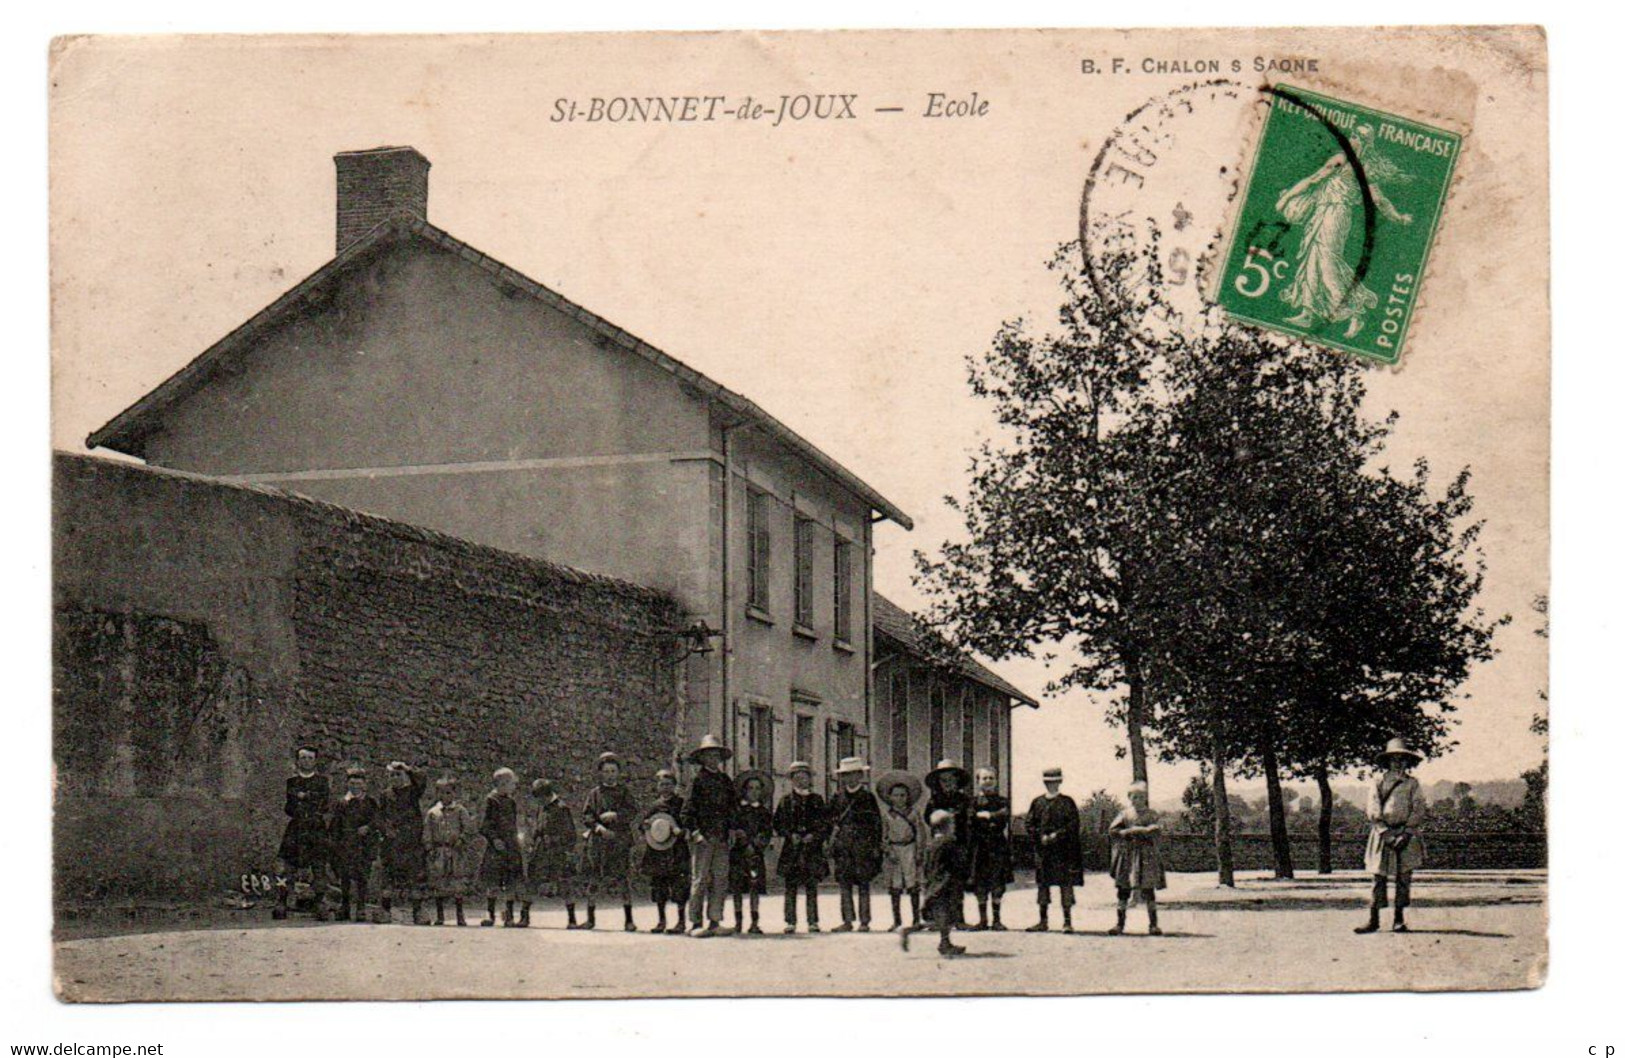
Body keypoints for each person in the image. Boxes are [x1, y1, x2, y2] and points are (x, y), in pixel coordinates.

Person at [1356, 737, 1428, 935]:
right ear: (1387, 761)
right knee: (1378, 877)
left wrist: (1406, 833)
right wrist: (1385, 832)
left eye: (1402, 759)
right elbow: (1373, 807)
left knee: (1403, 878)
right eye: (1394, 759)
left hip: (1406, 833)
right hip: (1382, 833)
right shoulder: (1378, 782)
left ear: (1407, 762)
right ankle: (1374, 919)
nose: (1398, 762)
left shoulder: (1412, 784)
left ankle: (1399, 919)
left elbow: (1419, 808)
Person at [681, 734, 736, 938]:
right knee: (700, 879)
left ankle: (715, 921)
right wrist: (695, 832)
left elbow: (732, 809)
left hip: (721, 837)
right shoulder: (697, 781)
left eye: (716, 755)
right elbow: (687, 811)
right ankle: (695, 923)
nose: (713, 759)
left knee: (720, 879)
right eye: (709, 755)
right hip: (703, 837)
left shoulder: (725, 781)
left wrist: (730, 829)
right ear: (702, 759)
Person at [581, 751, 639, 931]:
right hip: (599, 842)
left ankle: (629, 920)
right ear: (600, 773)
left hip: (619, 841)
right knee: (594, 878)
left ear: (618, 773)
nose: (610, 775)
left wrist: (617, 815)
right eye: (606, 771)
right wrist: (598, 827)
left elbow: (632, 812)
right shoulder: (594, 794)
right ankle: (590, 919)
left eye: (613, 771)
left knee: (623, 880)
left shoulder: (624, 792)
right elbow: (587, 815)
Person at [828, 757, 884, 932]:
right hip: (843, 846)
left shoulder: (867, 797)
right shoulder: (837, 797)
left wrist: (875, 846)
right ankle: (847, 920)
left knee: (863, 883)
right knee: (844, 883)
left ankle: (865, 921)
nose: (850, 779)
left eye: (854, 775)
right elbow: (830, 820)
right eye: (846, 775)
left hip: (862, 846)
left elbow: (876, 824)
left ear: (861, 776)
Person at [773, 760, 829, 934]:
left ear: (809, 779)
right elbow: (778, 823)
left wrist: (815, 835)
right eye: (796, 777)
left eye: (803, 777)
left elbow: (825, 824)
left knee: (811, 886)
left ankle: (812, 921)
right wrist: (790, 835)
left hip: (812, 849)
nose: (800, 780)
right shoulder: (786, 801)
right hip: (793, 849)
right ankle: (790, 921)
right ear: (791, 780)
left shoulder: (817, 800)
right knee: (791, 886)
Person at [274, 746, 330, 921]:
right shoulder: (291, 782)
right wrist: (304, 802)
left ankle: (320, 902)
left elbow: (324, 804)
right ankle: (281, 901)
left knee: (319, 864)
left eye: (310, 758)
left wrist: (305, 798)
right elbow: (289, 807)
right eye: (303, 758)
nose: (306, 761)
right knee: (286, 865)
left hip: (315, 827)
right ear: (297, 761)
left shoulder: (322, 781)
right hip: (297, 827)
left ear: (315, 761)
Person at [1026, 766, 1084, 933]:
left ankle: (1067, 922)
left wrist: (1056, 836)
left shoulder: (1067, 802)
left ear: (1060, 781)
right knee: (1043, 885)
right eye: (1047, 782)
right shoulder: (1037, 802)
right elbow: (1029, 823)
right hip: (1044, 852)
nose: (1051, 785)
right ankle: (1043, 921)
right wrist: (1040, 836)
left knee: (1065, 885)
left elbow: (1073, 825)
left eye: (1054, 782)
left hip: (1063, 852)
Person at [902, 809, 966, 957]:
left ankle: (945, 943)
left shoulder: (930, 844)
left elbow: (927, 866)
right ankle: (909, 931)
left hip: (934, 884)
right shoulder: (949, 842)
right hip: (946, 885)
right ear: (947, 826)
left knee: (943, 918)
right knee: (944, 918)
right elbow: (956, 864)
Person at [1107, 780, 1165, 936]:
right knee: (1123, 888)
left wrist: (1145, 830)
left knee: (1148, 889)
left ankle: (1153, 925)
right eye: (1134, 797)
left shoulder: (1151, 814)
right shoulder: (1125, 814)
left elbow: (1157, 829)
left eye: (1141, 797)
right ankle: (1120, 924)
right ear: (1129, 797)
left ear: (1145, 798)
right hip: (1128, 854)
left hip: (1146, 855)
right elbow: (1113, 830)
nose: (1137, 800)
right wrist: (1125, 832)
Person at [638, 769, 690, 934]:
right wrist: (646, 825)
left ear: (674, 786)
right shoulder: (654, 806)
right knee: (659, 886)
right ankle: (661, 921)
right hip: (657, 851)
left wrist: (680, 831)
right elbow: (642, 826)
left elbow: (687, 823)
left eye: (668, 784)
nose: (665, 788)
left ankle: (681, 922)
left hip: (676, 850)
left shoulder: (681, 804)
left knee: (679, 886)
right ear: (657, 787)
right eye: (662, 784)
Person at [378, 761, 429, 925]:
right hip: (392, 843)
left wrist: (407, 768)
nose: (395, 778)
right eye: (392, 775)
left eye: (398, 775)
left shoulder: (413, 792)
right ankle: (385, 911)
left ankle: (418, 912)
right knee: (389, 877)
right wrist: (386, 829)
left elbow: (422, 779)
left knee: (415, 877)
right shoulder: (386, 795)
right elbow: (381, 816)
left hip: (411, 842)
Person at [328, 765, 381, 923]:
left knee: (362, 877)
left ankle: (361, 908)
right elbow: (335, 824)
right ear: (347, 784)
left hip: (364, 845)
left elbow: (377, 820)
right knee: (344, 877)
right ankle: (344, 907)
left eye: (358, 783)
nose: (355, 786)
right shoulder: (342, 803)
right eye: (352, 783)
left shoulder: (370, 802)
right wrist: (335, 843)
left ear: (364, 785)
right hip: (346, 845)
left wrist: (369, 827)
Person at [424, 775, 478, 926]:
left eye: (448, 792)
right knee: (439, 882)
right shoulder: (433, 812)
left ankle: (460, 915)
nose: (445, 796)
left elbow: (468, 829)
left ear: (454, 793)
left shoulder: (460, 811)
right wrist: (429, 847)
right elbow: (428, 831)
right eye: (441, 793)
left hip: (456, 851)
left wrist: (462, 840)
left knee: (457, 883)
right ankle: (440, 915)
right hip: (439, 851)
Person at [526, 778, 580, 929]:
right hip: (541, 851)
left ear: (547, 795)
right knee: (532, 882)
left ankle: (572, 920)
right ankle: (525, 917)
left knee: (565, 884)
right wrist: (533, 842)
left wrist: (561, 846)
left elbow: (571, 834)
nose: (539, 801)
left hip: (557, 852)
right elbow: (538, 828)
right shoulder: (541, 808)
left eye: (540, 798)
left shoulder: (562, 808)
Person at [924, 759, 972, 925]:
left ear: (957, 781)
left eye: (951, 780)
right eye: (944, 780)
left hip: (959, 845)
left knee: (957, 883)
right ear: (938, 783)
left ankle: (958, 919)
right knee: (939, 883)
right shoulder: (934, 801)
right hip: (942, 846)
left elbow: (969, 822)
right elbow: (928, 820)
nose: (947, 784)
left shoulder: (964, 800)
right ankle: (936, 919)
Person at [875, 771, 924, 932]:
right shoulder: (887, 816)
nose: (900, 798)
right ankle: (897, 920)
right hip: (894, 852)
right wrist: (888, 850)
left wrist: (918, 851)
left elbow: (920, 833)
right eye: (896, 795)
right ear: (890, 797)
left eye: (903, 795)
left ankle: (916, 919)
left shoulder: (913, 814)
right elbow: (883, 835)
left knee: (913, 885)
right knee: (895, 886)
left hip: (909, 848)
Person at [967, 767, 1014, 931]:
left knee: (997, 883)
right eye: (984, 778)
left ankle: (997, 920)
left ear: (996, 781)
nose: (988, 781)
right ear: (978, 781)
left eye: (991, 778)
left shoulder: (1002, 801)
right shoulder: (972, 802)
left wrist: (987, 816)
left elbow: (1004, 816)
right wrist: (984, 816)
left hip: (997, 845)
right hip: (978, 847)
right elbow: (969, 818)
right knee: (980, 883)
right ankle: (982, 920)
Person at [728, 770, 775, 935]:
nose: (754, 792)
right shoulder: (737, 810)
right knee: (737, 888)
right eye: (750, 788)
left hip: (755, 853)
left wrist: (757, 843)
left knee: (754, 887)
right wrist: (740, 837)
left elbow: (767, 832)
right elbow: (733, 828)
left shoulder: (764, 812)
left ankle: (754, 922)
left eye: (757, 788)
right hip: (738, 853)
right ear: (744, 790)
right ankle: (738, 921)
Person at [478, 767, 525, 927]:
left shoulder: (511, 801)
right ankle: (490, 914)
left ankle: (509, 915)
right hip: (496, 848)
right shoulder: (491, 800)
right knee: (493, 882)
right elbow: (484, 825)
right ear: (502, 783)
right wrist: (494, 839)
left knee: (511, 881)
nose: (514, 787)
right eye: (512, 783)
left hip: (511, 846)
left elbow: (512, 824)